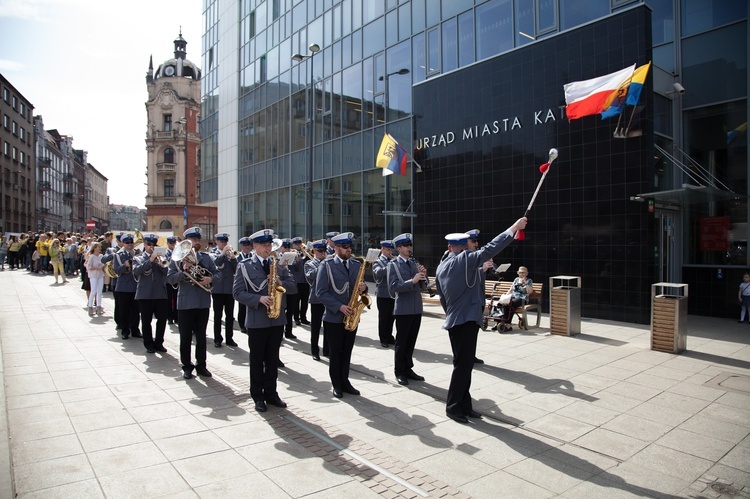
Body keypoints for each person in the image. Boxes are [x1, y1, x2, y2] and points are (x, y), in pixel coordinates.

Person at [435, 217, 527, 424]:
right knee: (462, 366)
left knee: (464, 365)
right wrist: (513, 228)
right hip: (464, 321)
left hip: (457, 319)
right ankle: (453, 407)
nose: (472, 249)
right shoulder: (462, 260)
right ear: (463, 247)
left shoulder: (443, 265)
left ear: (449, 246)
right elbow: (490, 249)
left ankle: (465, 405)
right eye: (469, 245)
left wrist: (452, 312)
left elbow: (442, 296)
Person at [233, 230, 296, 412]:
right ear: (255, 246)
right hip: (257, 320)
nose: (268, 249)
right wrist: (258, 299)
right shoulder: (244, 266)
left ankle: (272, 393)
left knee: (272, 358)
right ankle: (258, 395)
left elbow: (293, 287)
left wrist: (280, 282)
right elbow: (237, 293)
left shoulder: (278, 264)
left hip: (276, 320)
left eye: (269, 245)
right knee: (257, 359)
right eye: (264, 245)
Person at [315, 232, 368, 398]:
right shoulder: (327, 265)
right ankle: (336, 384)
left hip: (352, 315)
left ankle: (345, 381)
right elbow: (320, 292)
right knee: (335, 352)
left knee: (347, 351)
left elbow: (358, 286)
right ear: (336, 247)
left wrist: (363, 289)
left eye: (350, 246)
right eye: (345, 247)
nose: (348, 249)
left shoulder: (355, 264)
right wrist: (339, 307)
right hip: (334, 317)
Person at [167, 227, 220, 379]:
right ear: (186, 242)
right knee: (185, 337)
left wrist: (211, 279)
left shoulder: (206, 257)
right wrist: (183, 271)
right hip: (185, 303)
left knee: (201, 336)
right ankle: (187, 366)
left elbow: (218, 274)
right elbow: (170, 279)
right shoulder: (177, 259)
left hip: (202, 302)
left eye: (198, 239)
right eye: (193, 240)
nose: (196, 242)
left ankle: (201, 365)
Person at [387, 233, 427, 386]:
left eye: (410, 245)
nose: (409, 248)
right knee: (401, 342)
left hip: (416, 307)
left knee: (411, 341)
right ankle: (400, 371)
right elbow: (393, 287)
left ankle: (408, 368)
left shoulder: (412, 263)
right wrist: (413, 280)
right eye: (406, 246)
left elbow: (423, 285)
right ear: (398, 248)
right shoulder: (393, 265)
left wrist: (424, 275)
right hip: (403, 309)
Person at [133, 234, 169, 354]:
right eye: (149, 244)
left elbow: (166, 272)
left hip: (160, 293)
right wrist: (150, 261)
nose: (151, 247)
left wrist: (159, 263)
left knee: (162, 319)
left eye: (154, 245)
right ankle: (149, 344)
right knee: (146, 320)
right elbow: (137, 271)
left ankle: (159, 343)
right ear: (144, 244)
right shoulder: (138, 258)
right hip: (145, 294)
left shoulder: (161, 257)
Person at [466, 229, 493, 362]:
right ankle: (465, 356)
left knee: (475, 330)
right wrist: (482, 269)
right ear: (466, 243)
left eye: (477, 241)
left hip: (479, 298)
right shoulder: (463, 257)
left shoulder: (478, 256)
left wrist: (490, 266)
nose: (477, 244)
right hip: (469, 301)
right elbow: (466, 275)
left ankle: (471, 354)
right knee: (467, 331)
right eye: (474, 241)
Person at [210, 233, 238, 347]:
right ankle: (217, 338)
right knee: (217, 316)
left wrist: (233, 258)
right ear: (217, 242)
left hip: (229, 289)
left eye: (225, 242)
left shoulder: (230, 255)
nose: (224, 244)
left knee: (230, 316)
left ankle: (229, 338)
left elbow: (237, 268)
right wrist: (223, 253)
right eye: (221, 242)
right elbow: (216, 264)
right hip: (217, 289)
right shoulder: (212, 254)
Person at [112, 234, 141, 339]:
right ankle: (125, 330)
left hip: (135, 285)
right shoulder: (118, 255)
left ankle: (135, 330)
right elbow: (116, 271)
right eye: (127, 243)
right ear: (123, 244)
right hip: (123, 287)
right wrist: (124, 266)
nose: (129, 245)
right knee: (124, 310)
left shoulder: (137, 254)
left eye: (131, 243)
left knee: (135, 310)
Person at [304, 239, 328, 360]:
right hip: (316, 299)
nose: (323, 253)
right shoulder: (309, 264)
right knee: (316, 327)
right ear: (313, 251)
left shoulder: (328, 262)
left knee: (328, 326)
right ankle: (314, 351)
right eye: (320, 251)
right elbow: (311, 276)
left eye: (324, 251)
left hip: (328, 299)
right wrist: (324, 265)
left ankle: (327, 350)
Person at [372, 240, 396, 348]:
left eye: (391, 249)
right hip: (383, 294)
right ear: (382, 249)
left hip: (393, 293)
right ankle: (383, 338)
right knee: (383, 317)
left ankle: (389, 336)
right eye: (387, 249)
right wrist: (391, 264)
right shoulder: (378, 261)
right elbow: (379, 273)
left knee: (392, 317)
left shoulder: (393, 260)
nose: (389, 252)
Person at [291, 237, 310, 325]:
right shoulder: (291, 254)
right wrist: (297, 260)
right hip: (296, 281)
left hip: (305, 280)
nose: (299, 246)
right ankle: (296, 318)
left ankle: (303, 317)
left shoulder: (305, 253)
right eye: (297, 244)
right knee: (296, 301)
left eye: (300, 244)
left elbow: (310, 262)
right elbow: (291, 267)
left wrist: (306, 255)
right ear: (293, 245)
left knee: (305, 300)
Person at [236, 237, 253, 334]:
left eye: (248, 245)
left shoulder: (253, 256)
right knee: (242, 306)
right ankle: (242, 325)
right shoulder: (237, 257)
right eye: (245, 245)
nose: (247, 247)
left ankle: (248, 323)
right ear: (241, 246)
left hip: (252, 284)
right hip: (242, 283)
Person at [85, 242, 106, 317]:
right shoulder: (92, 256)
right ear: (94, 248)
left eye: (100, 247)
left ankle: (99, 307)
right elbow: (88, 267)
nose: (100, 248)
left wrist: (103, 267)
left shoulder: (101, 256)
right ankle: (90, 307)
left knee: (99, 292)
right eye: (98, 247)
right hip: (93, 275)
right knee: (93, 291)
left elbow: (103, 264)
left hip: (100, 275)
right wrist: (98, 268)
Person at [164, 236, 179, 324]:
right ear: (168, 244)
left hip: (177, 278)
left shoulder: (178, 252)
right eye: (171, 244)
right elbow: (166, 263)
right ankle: (169, 316)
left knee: (176, 298)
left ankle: (176, 316)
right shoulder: (166, 253)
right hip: (168, 279)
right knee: (168, 299)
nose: (173, 245)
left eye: (174, 243)